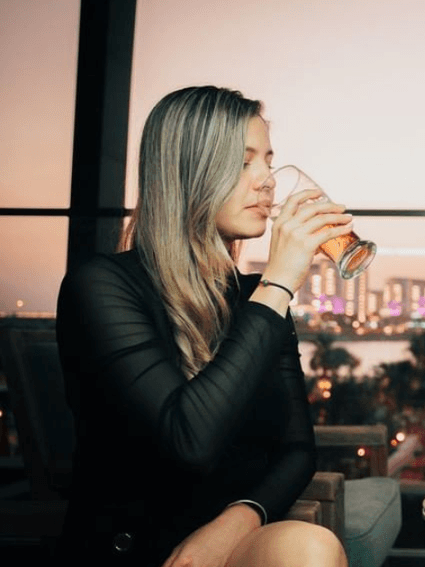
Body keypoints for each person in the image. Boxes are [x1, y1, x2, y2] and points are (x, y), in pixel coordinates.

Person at [55, 86, 354, 567]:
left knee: (310, 548)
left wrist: (235, 522)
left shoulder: (254, 298)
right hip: (135, 546)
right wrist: (279, 282)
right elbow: (188, 440)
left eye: (268, 161)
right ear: (188, 172)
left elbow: (297, 451)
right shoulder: (101, 287)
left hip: (232, 536)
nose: (268, 182)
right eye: (243, 162)